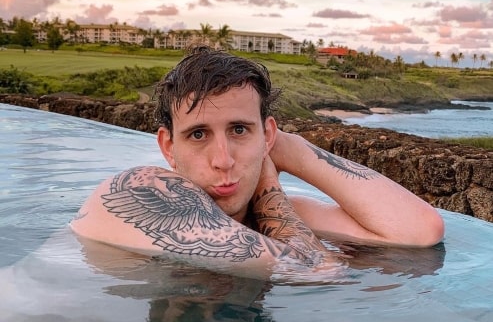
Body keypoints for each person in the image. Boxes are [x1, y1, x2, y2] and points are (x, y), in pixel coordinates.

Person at [71, 47, 444, 277]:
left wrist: (285, 148)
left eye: (239, 130)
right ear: (169, 146)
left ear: (266, 134)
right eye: (198, 134)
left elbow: (420, 232)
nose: (223, 160)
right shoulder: (143, 189)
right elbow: (315, 269)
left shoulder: (277, 213)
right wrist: (267, 177)